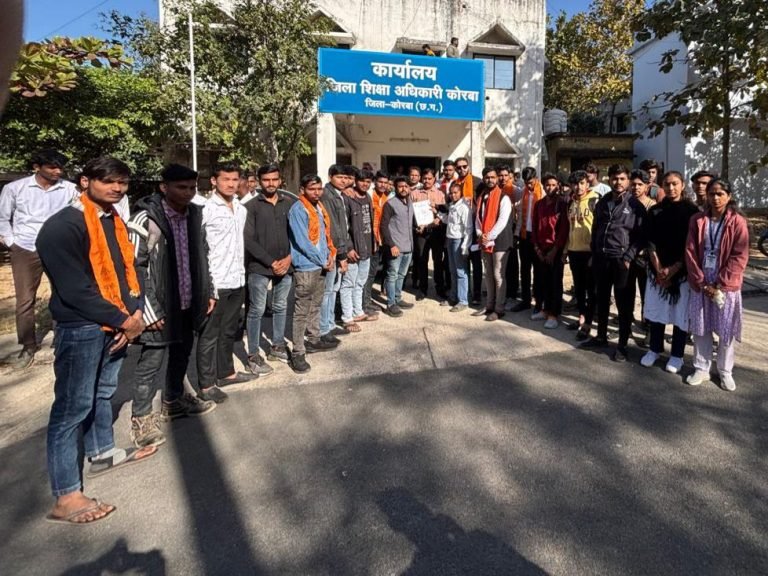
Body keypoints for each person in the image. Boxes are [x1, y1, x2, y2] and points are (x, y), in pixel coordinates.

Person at [36, 157, 155, 524]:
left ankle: (102, 452)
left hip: (117, 323)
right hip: (82, 327)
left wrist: (134, 312)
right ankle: (66, 495)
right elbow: (75, 289)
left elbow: (128, 270)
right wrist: (124, 320)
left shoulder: (112, 220)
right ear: (85, 181)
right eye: (109, 181)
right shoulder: (63, 227)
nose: (117, 188)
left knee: (103, 392)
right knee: (71, 409)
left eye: (123, 182)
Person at [128, 164, 217, 448]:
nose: (188, 193)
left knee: (182, 352)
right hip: (158, 303)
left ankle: (173, 400)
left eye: (192, 187)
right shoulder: (145, 218)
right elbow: (134, 266)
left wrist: (208, 291)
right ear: (164, 187)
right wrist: (148, 309)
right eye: (181, 187)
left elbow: (203, 255)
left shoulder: (194, 215)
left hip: (188, 299)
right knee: (151, 362)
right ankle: (142, 418)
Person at [0, 149, 78, 368]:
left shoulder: (70, 189)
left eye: (60, 167)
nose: (57, 171)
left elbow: (79, 214)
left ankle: (61, 337)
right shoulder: (15, 188)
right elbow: (3, 217)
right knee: (25, 299)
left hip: (58, 248)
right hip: (25, 248)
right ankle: (28, 345)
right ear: (37, 167)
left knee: (63, 293)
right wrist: (11, 241)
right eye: (52, 167)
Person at [196, 162, 254, 402]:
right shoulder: (205, 209)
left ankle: (226, 373)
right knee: (210, 334)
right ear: (214, 181)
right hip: (216, 281)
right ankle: (206, 384)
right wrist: (208, 286)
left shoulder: (240, 209)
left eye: (235, 179)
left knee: (230, 330)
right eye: (226, 179)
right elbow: (200, 249)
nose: (231, 184)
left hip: (237, 278)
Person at [685, 179, 749, 391]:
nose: (715, 198)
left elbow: (739, 256)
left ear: (729, 196)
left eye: (720, 193)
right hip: (702, 281)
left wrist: (719, 284)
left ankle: (725, 371)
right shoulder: (697, 220)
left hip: (726, 284)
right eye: (712, 193)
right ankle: (702, 368)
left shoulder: (737, 221)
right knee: (701, 328)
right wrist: (702, 282)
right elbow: (690, 251)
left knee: (725, 330)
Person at [583, 164, 646, 362]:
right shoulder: (603, 202)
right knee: (601, 299)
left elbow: (641, 236)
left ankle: (622, 345)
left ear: (628, 180)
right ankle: (601, 336)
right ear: (608, 179)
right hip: (602, 259)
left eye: (622, 178)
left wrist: (628, 257)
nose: (618, 182)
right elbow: (595, 229)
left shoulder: (635, 205)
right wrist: (594, 252)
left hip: (622, 261)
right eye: (614, 178)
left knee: (623, 304)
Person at [638, 171, 700, 374]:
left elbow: (692, 245)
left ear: (682, 185)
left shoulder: (692, 212)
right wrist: (659, 269)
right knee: (657, 313)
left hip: (682, 272)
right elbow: (649, 241)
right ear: (662, 186)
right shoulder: (655, 210)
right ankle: (654, 349)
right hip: (657, 271)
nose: (671, 188)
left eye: (675, 184)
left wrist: (674, 269)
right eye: (667, 184)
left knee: (680, 315)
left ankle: (677, 355)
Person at [244, 163, 295, 376]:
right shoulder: (250, 207)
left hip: (286, 265)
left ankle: (277, 346)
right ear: (259, 181)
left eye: (274, 179)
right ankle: (253, 355)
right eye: (266, 180)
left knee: (281, 306)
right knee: (256, 310)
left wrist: (289, 258)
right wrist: (271, 262)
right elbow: (248, 240)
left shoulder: (289, 204)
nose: (271, 183)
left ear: (280, 180)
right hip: (259, 267)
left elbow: (296, 234)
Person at [288, 174, 337, 373]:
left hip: (320, 264)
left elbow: (324, 237)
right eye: (312, 189)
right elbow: (303, 242)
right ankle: (298, 352)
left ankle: (314, 339)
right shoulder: (298, 209)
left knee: (316, 304)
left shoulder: (319, 207)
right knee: (302, 310)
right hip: (306, 266)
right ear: (302, 190)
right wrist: (322, 259)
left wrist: (330, 255)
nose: (316, 193)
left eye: (319, 189)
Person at [472, 167, 513, 321]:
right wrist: (479, 234)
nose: (490, 180)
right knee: (488, 274)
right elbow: (478, 219)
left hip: (500, 241)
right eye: (487, 177)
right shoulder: (482, 196)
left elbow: (502, 221)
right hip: (485, 240)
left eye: (492, 177)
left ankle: (499, 309)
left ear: (496, 178)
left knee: (498, 275)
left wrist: (488, 236)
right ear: (483, 179)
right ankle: (489, 305)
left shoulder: (504, 197)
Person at [531, 173, 569, 329]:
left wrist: (555, 250)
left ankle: (554, 314)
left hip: (555, 249)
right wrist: (537, 248)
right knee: (543, 281)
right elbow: (534, 226)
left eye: (553, 185)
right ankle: (545, 310)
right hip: (541, 249)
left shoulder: (562, 204)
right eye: (547, 185)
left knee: (555, 282)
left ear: (558, 186)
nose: (550, 188)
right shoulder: (539, 204)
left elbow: (563, 229)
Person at [340, 169, 376, 332]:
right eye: (362, 181)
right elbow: (343, 226)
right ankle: (347, 318)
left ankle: (358, 312)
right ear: (356, 181)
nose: (365, 184)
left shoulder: (367, 197)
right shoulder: (347, 197)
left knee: (360, 282)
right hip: (353, 249)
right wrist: (348, 247)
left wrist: (373, 243)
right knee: (348, 284)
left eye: (368, 182)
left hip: (366, 247)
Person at [319, 164, 351, 345]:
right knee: (327, 291)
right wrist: (342, 254)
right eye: (340, 177)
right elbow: (334, 228)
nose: (343, 181)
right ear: (330, 176)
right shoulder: (327, 195)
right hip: (332, 250)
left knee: (333, 290)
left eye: (346, 177)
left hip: (338, 249)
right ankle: (324, 328)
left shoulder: (338, 195)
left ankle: (330, 324)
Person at [565, 170, 599, 340]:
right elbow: (569, 227)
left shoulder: (595, 200)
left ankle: (588, 324)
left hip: (589, 252)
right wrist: (565, 250)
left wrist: (595, 252)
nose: (578, 187)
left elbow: (599, 228)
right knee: (578, 289)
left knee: (591, 290)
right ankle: (581, 317)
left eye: (582, 183)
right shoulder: (570, 202)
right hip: (574, 251)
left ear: (587, 184)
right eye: (575, 184)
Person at [411, 167, 448, 301]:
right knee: (422, 260)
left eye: (429, 178)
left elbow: (444, 211)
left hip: (436, 232)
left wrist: (438, 219)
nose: (427, 181)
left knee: (438, 261)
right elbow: (411, 213)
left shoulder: (440, 194)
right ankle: (422, 289)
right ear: (421, 179)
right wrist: (416, 226)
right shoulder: (414, 193)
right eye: (425, 178)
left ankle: (440, 288)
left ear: (434, 179)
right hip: (421, 232)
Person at [381, 176, 415, 317]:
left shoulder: (410, 202)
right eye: (400, 186)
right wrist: (391, 245)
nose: (403, 189)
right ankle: (390, 304)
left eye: (406, 186)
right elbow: (384, 226)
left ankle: (397, 298)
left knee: (401, 275)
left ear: (409, 188)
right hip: (396, 247)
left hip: (408, 246)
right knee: (392, 275)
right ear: (395, 188)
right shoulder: (390, 204)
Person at [511, 167, 543, 313]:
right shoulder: (523, 193)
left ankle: (538, 302)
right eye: (526, 183)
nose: (529, 185)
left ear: (536, 178)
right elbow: (520, 216)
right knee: (524, 270)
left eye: (531, 182)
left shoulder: (542, 192)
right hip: (525, 236)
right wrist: (516, 234)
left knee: (538, 271)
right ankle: (525, 301)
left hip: (538, 237)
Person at [440, 182, 472, 311]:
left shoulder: (464, 207)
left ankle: (463, 300)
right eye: (451, 193)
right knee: (452, 270)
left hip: (459, 241)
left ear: (461, 193)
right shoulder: (453, 205)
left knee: (460, 271)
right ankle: (453, 297)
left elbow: (468, 228)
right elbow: (449, 221)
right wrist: (438, 214)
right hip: (450, 239)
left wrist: (465, 246)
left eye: (456, 192)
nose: (453, 195)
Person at [454, 157, 483, 303]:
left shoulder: (478, 182)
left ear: (468, 166)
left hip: (475, 227)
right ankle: (464, 292)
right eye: (458, 167)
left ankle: (477, 294)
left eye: (464, 166)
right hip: (460, 229)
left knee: (476, 263)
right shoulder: (455, 184)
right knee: (462, 262)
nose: (462, 169)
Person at [363, 171, 391, 315]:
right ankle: (364, 303)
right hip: (369, 240)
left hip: (380, 240)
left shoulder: (386, 197)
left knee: (373, 272)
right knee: (367, 273)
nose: (383, 185)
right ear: (375, 182)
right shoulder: (368, 196)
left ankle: (367, 300)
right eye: (380, 182)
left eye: (385, 183)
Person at [498, 164, 520, 306]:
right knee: (499, 263)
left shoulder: (516, 191)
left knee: (511, 261)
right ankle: (501, 291)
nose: (503, 178)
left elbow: (520, 213)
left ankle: (512, 292)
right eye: (501, 175)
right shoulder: (495, 190)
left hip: (511, 228)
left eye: (506, 175)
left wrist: (516, 232)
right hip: (497, 229)